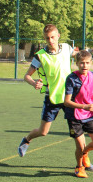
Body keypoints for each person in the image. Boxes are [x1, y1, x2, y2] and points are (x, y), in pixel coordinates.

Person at [17, 24, 79, 157]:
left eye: (52, 37)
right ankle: (27, 139)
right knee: (43, 132)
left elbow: (79, 56)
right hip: (52, 97)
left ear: (58, 36)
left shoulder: (67, 48)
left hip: (69, 97)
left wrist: (85, 58)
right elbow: (26, 76)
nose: (50, 41)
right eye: (47, 38)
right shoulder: (40, 56)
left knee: (77, 132)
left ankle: (84, 161)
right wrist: (34, 83)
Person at [63, 50, 93, 178]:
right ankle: (79, 167)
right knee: (80, 145)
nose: (84, 66)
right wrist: (85, 106)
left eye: (87, 63)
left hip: (90, 116)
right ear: (76, 63)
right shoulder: (71, 79)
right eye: (81, 63)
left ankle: (85, 153)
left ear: (91, 63)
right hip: (75, 116)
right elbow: (67, 102)